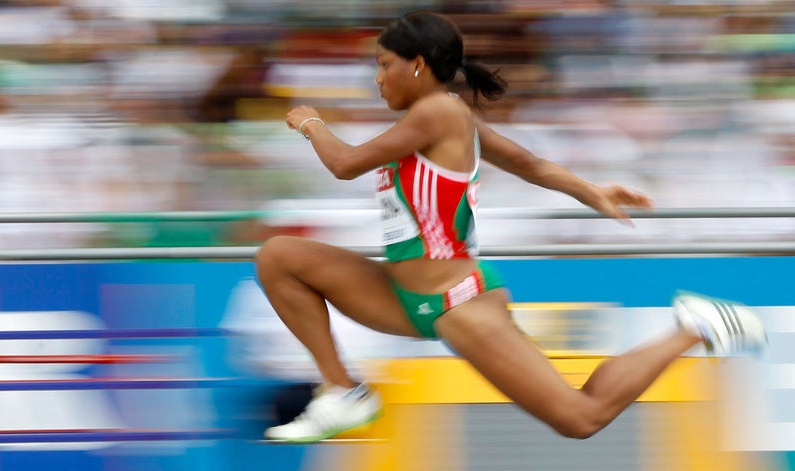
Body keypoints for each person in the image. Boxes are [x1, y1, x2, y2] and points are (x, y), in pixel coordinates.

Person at [255, 11, 768, 443]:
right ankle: (343, 389)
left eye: (384, 65)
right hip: (403, 295)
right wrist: (594, 191)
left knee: (580, 417)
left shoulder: (436, 112)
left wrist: (311, 124)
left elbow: (344, 164)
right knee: (279, 256)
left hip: (458, 302)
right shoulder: (447, 116)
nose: (377, 78)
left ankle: (694, 327)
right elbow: (532, 165)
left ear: (416, 66)